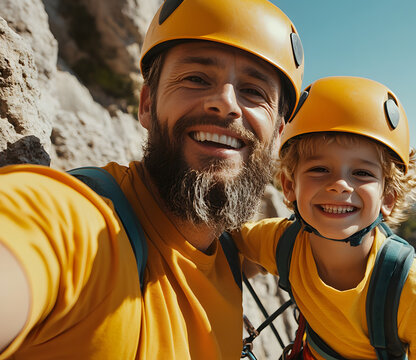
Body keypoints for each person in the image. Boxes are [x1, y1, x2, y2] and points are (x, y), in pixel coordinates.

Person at [0, 0, 304, 358]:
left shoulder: (231, 256)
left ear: (279, 135)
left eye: (254, 92)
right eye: (196, 78)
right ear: (146, 104)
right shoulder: (75, 222)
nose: (226, 104)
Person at [233, 76, 416, 359]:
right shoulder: (282, 243)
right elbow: (218, 247)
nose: (340, 185)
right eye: (319, 169)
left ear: (388, 199)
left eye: (362, 173)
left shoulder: (413, 291)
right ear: (289, 186)